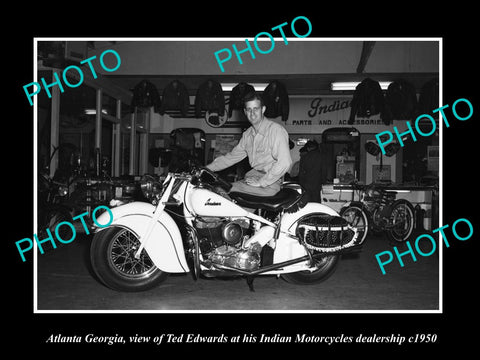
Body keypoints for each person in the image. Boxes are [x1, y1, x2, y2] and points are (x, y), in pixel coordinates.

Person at [206, 92, 292, 196]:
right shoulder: (247, 135)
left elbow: (285, 162)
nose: (252, 113)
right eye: (249, 109)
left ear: (263, 110)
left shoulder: (275, 131)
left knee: (225, 193)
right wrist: (205, 169)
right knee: (218, 191)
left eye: (256, 109)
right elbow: (230, 158)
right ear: (245, 112)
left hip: (270, 181)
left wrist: (262, 181)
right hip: (252, 178)